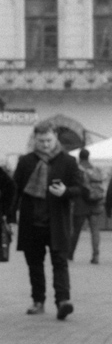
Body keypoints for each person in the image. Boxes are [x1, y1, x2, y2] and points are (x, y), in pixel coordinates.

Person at [11, 120, 81, 319]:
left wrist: (65, 191)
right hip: (31, 221)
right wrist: (9, 215)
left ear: (55, 138)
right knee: (35, 264)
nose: (46, 145)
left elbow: (79, 189)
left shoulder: (67, 161)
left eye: (49, 140)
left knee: (60, 263)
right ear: (35, 140)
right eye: (41, 141)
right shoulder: (26, 161)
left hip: (57, 222)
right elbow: (15, 191)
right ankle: (38, 301)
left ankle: (63, 301)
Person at [69, 148, 104, 264]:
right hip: (95, 202)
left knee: (76, 230)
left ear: (80, 157)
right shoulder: (95, 169)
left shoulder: (78, 169)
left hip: (81, 203)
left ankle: (70, 254)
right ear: (89, 157)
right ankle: (96, 255)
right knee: (95, 230)